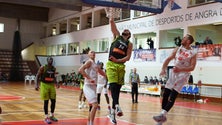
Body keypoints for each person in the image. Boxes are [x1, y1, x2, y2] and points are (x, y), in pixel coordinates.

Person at [153, 34, 197, 125]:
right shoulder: (178, 49)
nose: (182, 39)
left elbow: (192, 67)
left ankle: (162, 114)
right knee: (165, 94)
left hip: (183, 75)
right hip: (174, 73)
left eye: (184, 38)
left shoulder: (193, 53)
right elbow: (168, 59)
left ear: (188, 41)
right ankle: (162, 116)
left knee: (172, 96)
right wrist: (163, 69)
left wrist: (180, 69)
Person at [106, 18, 133, 124]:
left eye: (127, 30)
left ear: (129, 35)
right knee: (113, 86)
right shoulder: (117, 36)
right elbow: (113, 26)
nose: (126, 29)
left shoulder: (129, 44)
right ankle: (117, 106)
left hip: (120, 66)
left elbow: (128, 57)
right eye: (125, 29)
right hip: (111, 65)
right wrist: (111, 19)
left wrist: (118, 60)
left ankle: (113, 113)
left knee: (116, 90)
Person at [78, 50, 106, 125]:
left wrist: (107, 76)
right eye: (91, 52)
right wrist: (89, 78)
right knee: (95, 105)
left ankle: (88, 122)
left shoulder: (95, 64)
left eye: (94, 52)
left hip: (93, 87)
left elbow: (101, 71)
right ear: (88, 55)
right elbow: (80, 69)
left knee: (91, 107)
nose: (93, 53)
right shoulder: (89, 62)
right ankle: (91, 123)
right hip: (88, 86)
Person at [35, 56, 60, 124]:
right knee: (46, 101)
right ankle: (46, 117)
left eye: (52, 60)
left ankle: (52, 115)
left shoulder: (53, 68)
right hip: (44, 85)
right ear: (47, 61)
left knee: (53, 101)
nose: (51, 61)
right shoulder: (43, 67)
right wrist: (36, 85)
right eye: (49, 60)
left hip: (51, 85)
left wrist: (57, 83)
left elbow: (53, 76)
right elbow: (37, 75)